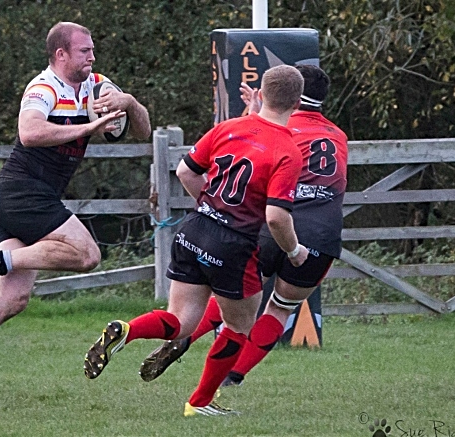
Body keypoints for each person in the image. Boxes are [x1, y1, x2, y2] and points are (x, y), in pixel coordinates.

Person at [0, 22, 151, 382]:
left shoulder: (96, 85)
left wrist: (130, 103)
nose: (92, 56)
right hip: (21, 192)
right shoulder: (44, 87)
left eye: (93, 49)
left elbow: (143, 132)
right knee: (88, 255)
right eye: (85, 50)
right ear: (61, 54)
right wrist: (86, 129)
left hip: (17, 198)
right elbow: (30, 132)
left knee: (14, 298)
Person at [83, 64, 308, 417]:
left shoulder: (228, 128)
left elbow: (187, 171)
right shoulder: (289, 151)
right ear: (297, 104)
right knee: (238, 326)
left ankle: (127, 329)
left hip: (194, 229)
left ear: (260, 94)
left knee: (180, 321)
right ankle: (198, 404)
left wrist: (208, 206)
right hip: (233, 244)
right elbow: (277, 217)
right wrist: (295, 252)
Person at [138, 65, 348, 388]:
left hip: (271, 224)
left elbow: (255, 145)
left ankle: (184, 338)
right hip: (321, 232)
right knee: (279, 309)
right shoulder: (339, 136)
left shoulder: (285, 127)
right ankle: (233, 377)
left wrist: (253, 111)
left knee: (229, 294)